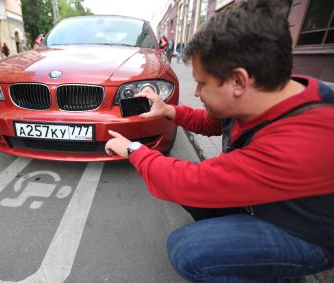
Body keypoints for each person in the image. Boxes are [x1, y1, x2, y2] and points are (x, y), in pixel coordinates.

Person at [105, 0, 334, 282]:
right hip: (267, 201)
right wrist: (169, 111)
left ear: (238, 81)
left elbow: (188, 181)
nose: (197, 92)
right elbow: (211, 122)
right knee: (196, 201)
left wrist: (132, 149)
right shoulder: (270, 92)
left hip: (303, 232)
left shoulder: (302, 141)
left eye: (202, 83)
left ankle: (278, 272)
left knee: (188, 250)